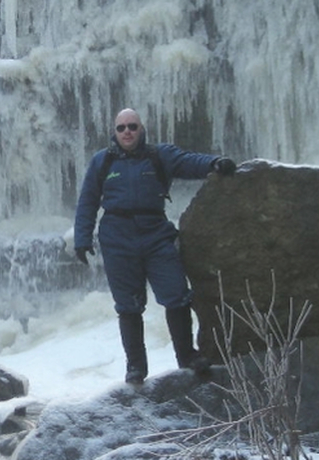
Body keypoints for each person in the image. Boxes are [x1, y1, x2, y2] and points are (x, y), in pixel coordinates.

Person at [73, 108, 236, 385]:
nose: (127, 132)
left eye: (132, 127)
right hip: (117, 237)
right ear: (114, 132)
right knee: (128, 305)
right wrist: (82, 238)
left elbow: (189, 162)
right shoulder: (103, 162)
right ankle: (136, 367)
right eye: (121, 127)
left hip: (155, 234)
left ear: (141, 129)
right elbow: (88, 200)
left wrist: (215, 163)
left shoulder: (159, 155)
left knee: (176, 294)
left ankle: (187, 356)